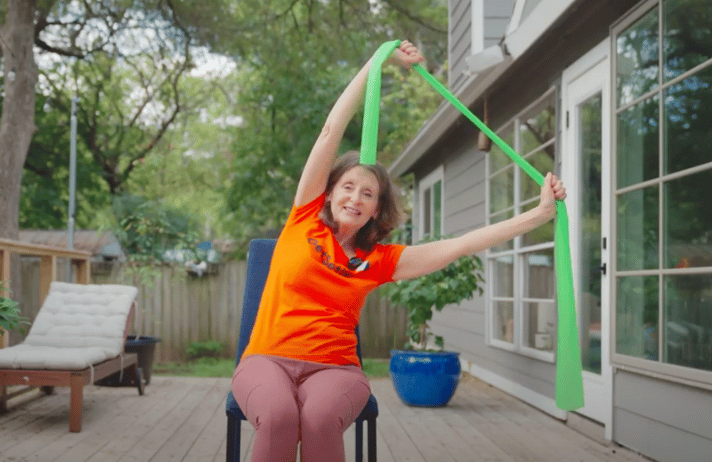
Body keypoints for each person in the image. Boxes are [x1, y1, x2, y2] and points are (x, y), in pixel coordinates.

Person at [231, 40, 566, 462]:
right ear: (329, 193)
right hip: (267, 360)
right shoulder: (303, 219)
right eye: (347, 187)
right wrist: (378, 61)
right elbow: (332, 129)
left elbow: (459, 245)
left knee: (317, 419)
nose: (355, 198)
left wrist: (538, 215)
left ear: (376, 209)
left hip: (336, 371)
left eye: (368, 193)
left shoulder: (380, 261)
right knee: (279, 417)